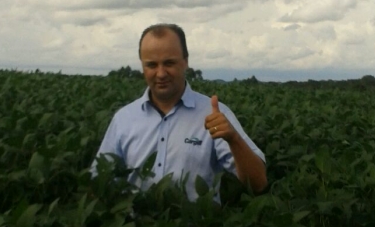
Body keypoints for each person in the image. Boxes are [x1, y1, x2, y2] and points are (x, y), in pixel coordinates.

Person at [92, 23, 267, 200]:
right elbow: (99, 180)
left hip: (196, 225)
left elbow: (258, 183)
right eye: (151, 65)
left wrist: (233, 139)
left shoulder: (214, 115)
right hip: (135, 226)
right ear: (142, 66)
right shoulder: (124, 119)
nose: (161, 74)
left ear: (186, 62)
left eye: (169, 63)